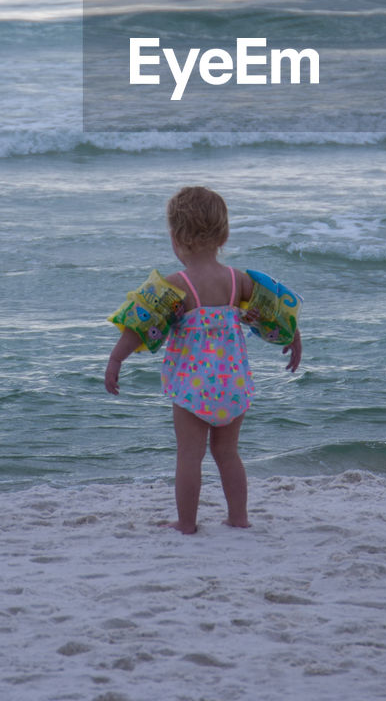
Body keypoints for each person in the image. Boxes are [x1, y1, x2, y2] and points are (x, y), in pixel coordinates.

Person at [104, 185, 302, 534]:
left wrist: (116, 360)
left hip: (192, 387)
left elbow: (139, 326)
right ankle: (238, 518)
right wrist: (294, 339)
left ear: (176, 237)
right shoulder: (237, 280)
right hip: (232, 383)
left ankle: (186, 523)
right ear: (223, 234)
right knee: (227, 454)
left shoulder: (175, 285)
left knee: (189, 456)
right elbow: (275, 314)